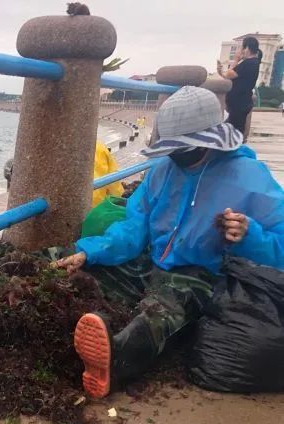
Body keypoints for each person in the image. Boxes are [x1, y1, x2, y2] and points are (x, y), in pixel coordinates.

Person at [55, 86, 284, 399]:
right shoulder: (162, 171)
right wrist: (87, 252)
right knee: (82, 272)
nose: (178, 156)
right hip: (152, 264)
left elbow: (280, 246)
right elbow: (134, 229)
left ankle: (117, 358)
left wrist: (249, 235)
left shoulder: (249, 178)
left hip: (200, 278)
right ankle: (84, 335)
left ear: (211, 141)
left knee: (166, 309)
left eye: (186, 149)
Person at [217, 37, 261, 137]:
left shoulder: (249, 63)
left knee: (234, 133)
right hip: (239, 103)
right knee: (233, 131)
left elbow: (229, 74)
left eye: (241, 48)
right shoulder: (251, 63)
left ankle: (234, 150)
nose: (240, 51)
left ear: (247, 48)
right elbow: (227, 76)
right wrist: (220, 71)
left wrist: (236, 59)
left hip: (239, 104)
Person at [92, 140, 122, 206]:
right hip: (97, 205)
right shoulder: (100, 147)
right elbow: (113, 179)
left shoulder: (65, 148)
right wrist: (117, 198)